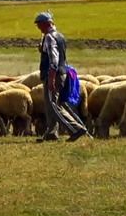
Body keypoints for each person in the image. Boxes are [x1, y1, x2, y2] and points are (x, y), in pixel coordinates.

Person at [34, 11, 87, 142]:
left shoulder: (49, 37)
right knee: (52, 104)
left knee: (53, 104)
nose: (38, 28)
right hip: (62, 73)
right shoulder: (60, 36)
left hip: (54, 74)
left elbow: (54, 60)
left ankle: (76, 129)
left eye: (39, 25)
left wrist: (51, 78)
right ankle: (52, 133)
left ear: (46, 24)